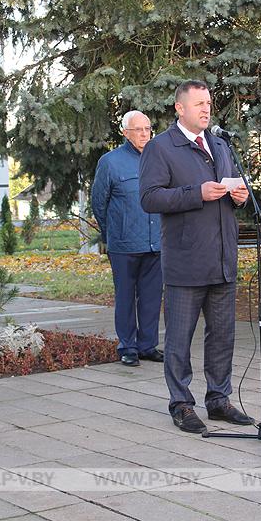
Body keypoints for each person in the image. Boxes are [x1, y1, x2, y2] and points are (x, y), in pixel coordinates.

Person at [140, 79, 252, 434]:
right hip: (186, 261)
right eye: (198, 103)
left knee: (222, 336)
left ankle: (218, 399)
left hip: (222, 258)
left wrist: (239, 196)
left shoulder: (220, 144)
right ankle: (181, 403)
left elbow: (230, 186)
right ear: (180, 108)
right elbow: (150, 198)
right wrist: (196, 193)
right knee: (178, 339)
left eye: (208, 103)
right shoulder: (161, 148)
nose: (206, 109)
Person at [91, 110, 163, 367]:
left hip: (155, 242)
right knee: (125, 296)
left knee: (152, 296)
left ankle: (147, 345)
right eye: (138, 130)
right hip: (123, 245)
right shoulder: (110, 162)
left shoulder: (159, 159)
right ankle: (128, 347)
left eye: (147, 129)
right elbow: (99, 203)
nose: (144, 134)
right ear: (125, 133)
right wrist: (112, 233)